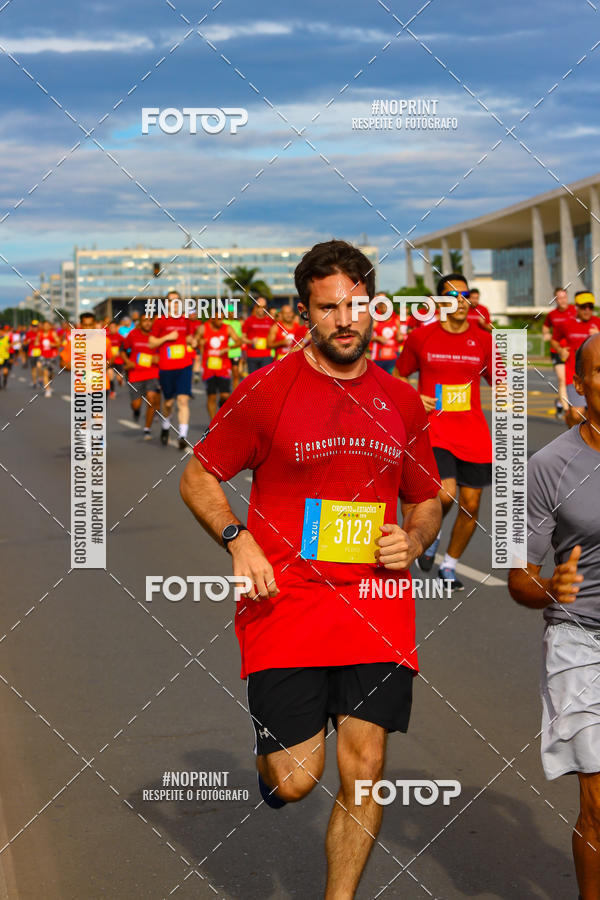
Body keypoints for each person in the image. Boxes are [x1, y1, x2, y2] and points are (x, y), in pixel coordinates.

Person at [180, 239, 441, 899]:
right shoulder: (268, 391)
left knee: (368, 766)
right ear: (306, 312)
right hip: (286, 601)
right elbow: (198, 476)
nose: (345, 321)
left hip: (376, 601)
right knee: (298, 779)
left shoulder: (402, 402)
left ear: (372, 305)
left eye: (355, 306)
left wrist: (412, 541)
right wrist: (238, 539)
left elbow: (427, 499)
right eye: (329, 309)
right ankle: (273, 770)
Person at [508, 332, 600, 900]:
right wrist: (551, 587)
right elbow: (518, 578)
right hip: (580, 639)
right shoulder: (544, 465)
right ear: (581, 383)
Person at [395, 273, 493, 591]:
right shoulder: (422, 337)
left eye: (465, 295)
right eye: (453, 296)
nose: (461, 301)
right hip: (433, 428)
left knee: (473, 504)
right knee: (445, 491)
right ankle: (433, 531)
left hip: (473, 431)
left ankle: (449, 565)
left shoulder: (483, 339)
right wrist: (413, 398)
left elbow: (502, 381)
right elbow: (398, 376)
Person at [149, 290, 198, 450]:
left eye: (177, 300)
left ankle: (182, 435)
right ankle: (165, 425)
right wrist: (167, 338)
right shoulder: (160, 321)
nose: (174, 303)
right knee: (168, 402)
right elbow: (151, 343)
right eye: (171, 301)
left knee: (183, 400)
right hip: (166, 367)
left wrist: (193, 340)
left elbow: (190, 337)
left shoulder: (186, 320)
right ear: (166, 304)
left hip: (184, 365)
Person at [550, 291, 600, 429]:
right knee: (577, 414)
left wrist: (598, 336)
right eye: (584, 307)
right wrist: (560, 350)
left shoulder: (598, 323)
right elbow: (554, 340)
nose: (587, 310)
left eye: (590, 306)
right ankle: (572, 437)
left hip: (597, 377)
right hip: (575, 375)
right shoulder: (566, 324)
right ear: (576, 307)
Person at [122, 315, 161, 439]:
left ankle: (147, 429)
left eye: (150, 321)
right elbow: (122, 350)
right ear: (140, 322)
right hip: (136, 373)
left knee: (151, 398)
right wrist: (127, 362)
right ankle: (136, 411)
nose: (148, 323)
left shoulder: (157, 336)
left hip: (152, 372)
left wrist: (159, 358)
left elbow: (164, 352)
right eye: (145, 320)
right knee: (136, 404)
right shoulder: (133, 334)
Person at [198, 312, 243, 420]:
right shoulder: (204, 328)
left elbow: (239, 341)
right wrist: (200, 342)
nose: (220, 321)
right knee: (211, 396)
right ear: (212, 318)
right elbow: (196, 340)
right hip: (209, 367)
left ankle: (222, 411)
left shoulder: (227, 328)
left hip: (223, 366)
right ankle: (213, 423)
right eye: (218, 318)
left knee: (225, 396)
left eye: (222, 318)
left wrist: (228, 348)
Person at [542, 287, 576, 419]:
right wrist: (546, 333)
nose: (562, 300)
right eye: (559, 298)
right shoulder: (552, 315)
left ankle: (559, 402)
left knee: (574, 380)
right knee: (562, 380)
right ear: (555, 299)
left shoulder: (575, 311)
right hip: (557, 350)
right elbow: (545, 327)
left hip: (573, 350)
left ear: (567, 297)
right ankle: (568, 411)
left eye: (564, 297)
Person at [370, 297, 403, 373]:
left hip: (393, 358)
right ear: (381, 309)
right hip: (378, 359)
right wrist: (377, 338)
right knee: (377, 382)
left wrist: (400, 337)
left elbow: (399, 336)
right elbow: (366, 338)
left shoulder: (396, 321)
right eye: (384, 307)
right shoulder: (375, 322)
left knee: (393, 382)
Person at [241, 297, 274, 373]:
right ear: (255, 307)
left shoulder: (270, 321)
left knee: (266, 380)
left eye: (264, 307)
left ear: (266, 308)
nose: (261, 309)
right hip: (252, 356)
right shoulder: (249, 320)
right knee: (253, 382)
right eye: (258, 306)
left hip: (267, 356)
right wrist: (251, 341)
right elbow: (242, 338)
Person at [223, 303, 244, 390]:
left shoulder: (237, 323)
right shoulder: (222, 322)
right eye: (228, 312)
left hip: (235, 351)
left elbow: (240, 337)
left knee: (235, 372)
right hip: (225, 352)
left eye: (232, 312)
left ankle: (235, 391)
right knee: (225, 374)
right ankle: (225, 391)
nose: (230, 314)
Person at [39, 320, 60, 397]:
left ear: (50, 326)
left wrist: (53, 344)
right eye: (45, 325)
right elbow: (36, 343)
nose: (46, 327)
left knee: (51, 373)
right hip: (43, 356)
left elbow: (58, 343)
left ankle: (49, 384)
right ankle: (47, 390)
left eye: (48, 325)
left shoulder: (53, 333)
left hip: (52, 356)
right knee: (45, 372)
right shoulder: (40, 334)